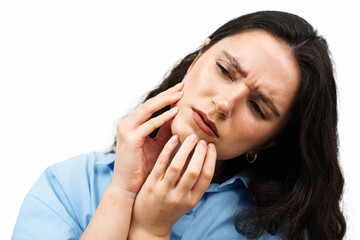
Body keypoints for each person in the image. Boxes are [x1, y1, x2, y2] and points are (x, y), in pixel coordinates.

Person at [12, 10, 346, 240]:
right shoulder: (67, 184)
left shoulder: (280, 228)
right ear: (200, 54)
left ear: (269, 141)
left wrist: (150, 230)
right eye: (226, 71)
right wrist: (121, 194)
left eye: (258, 107)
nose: (225, 103)